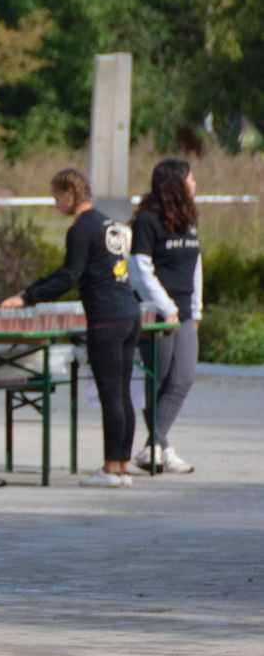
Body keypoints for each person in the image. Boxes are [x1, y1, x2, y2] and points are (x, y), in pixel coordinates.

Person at [0, 168, 140, 488]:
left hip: (106, 318)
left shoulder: (80, 229)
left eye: (56, 197)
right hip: (130, 314)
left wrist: (27, 297)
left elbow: (68, 276)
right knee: (123, 394)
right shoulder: (109, 224)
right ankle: (122, 467)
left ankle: (108, 469)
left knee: (110, 396)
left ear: (69, 194)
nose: (55, 205)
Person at [128, 158, 202, 474]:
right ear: (175, 183)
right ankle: (160, 448)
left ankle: (155, 446)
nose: (195, 183)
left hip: (183, 313)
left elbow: (195, 267)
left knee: (183, 377)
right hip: (155, 314)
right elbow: (139, 269)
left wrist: (195, 309)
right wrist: (166, 308)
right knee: (157, 380)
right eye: (191, 178)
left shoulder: (189, 221)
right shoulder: (147, 220)